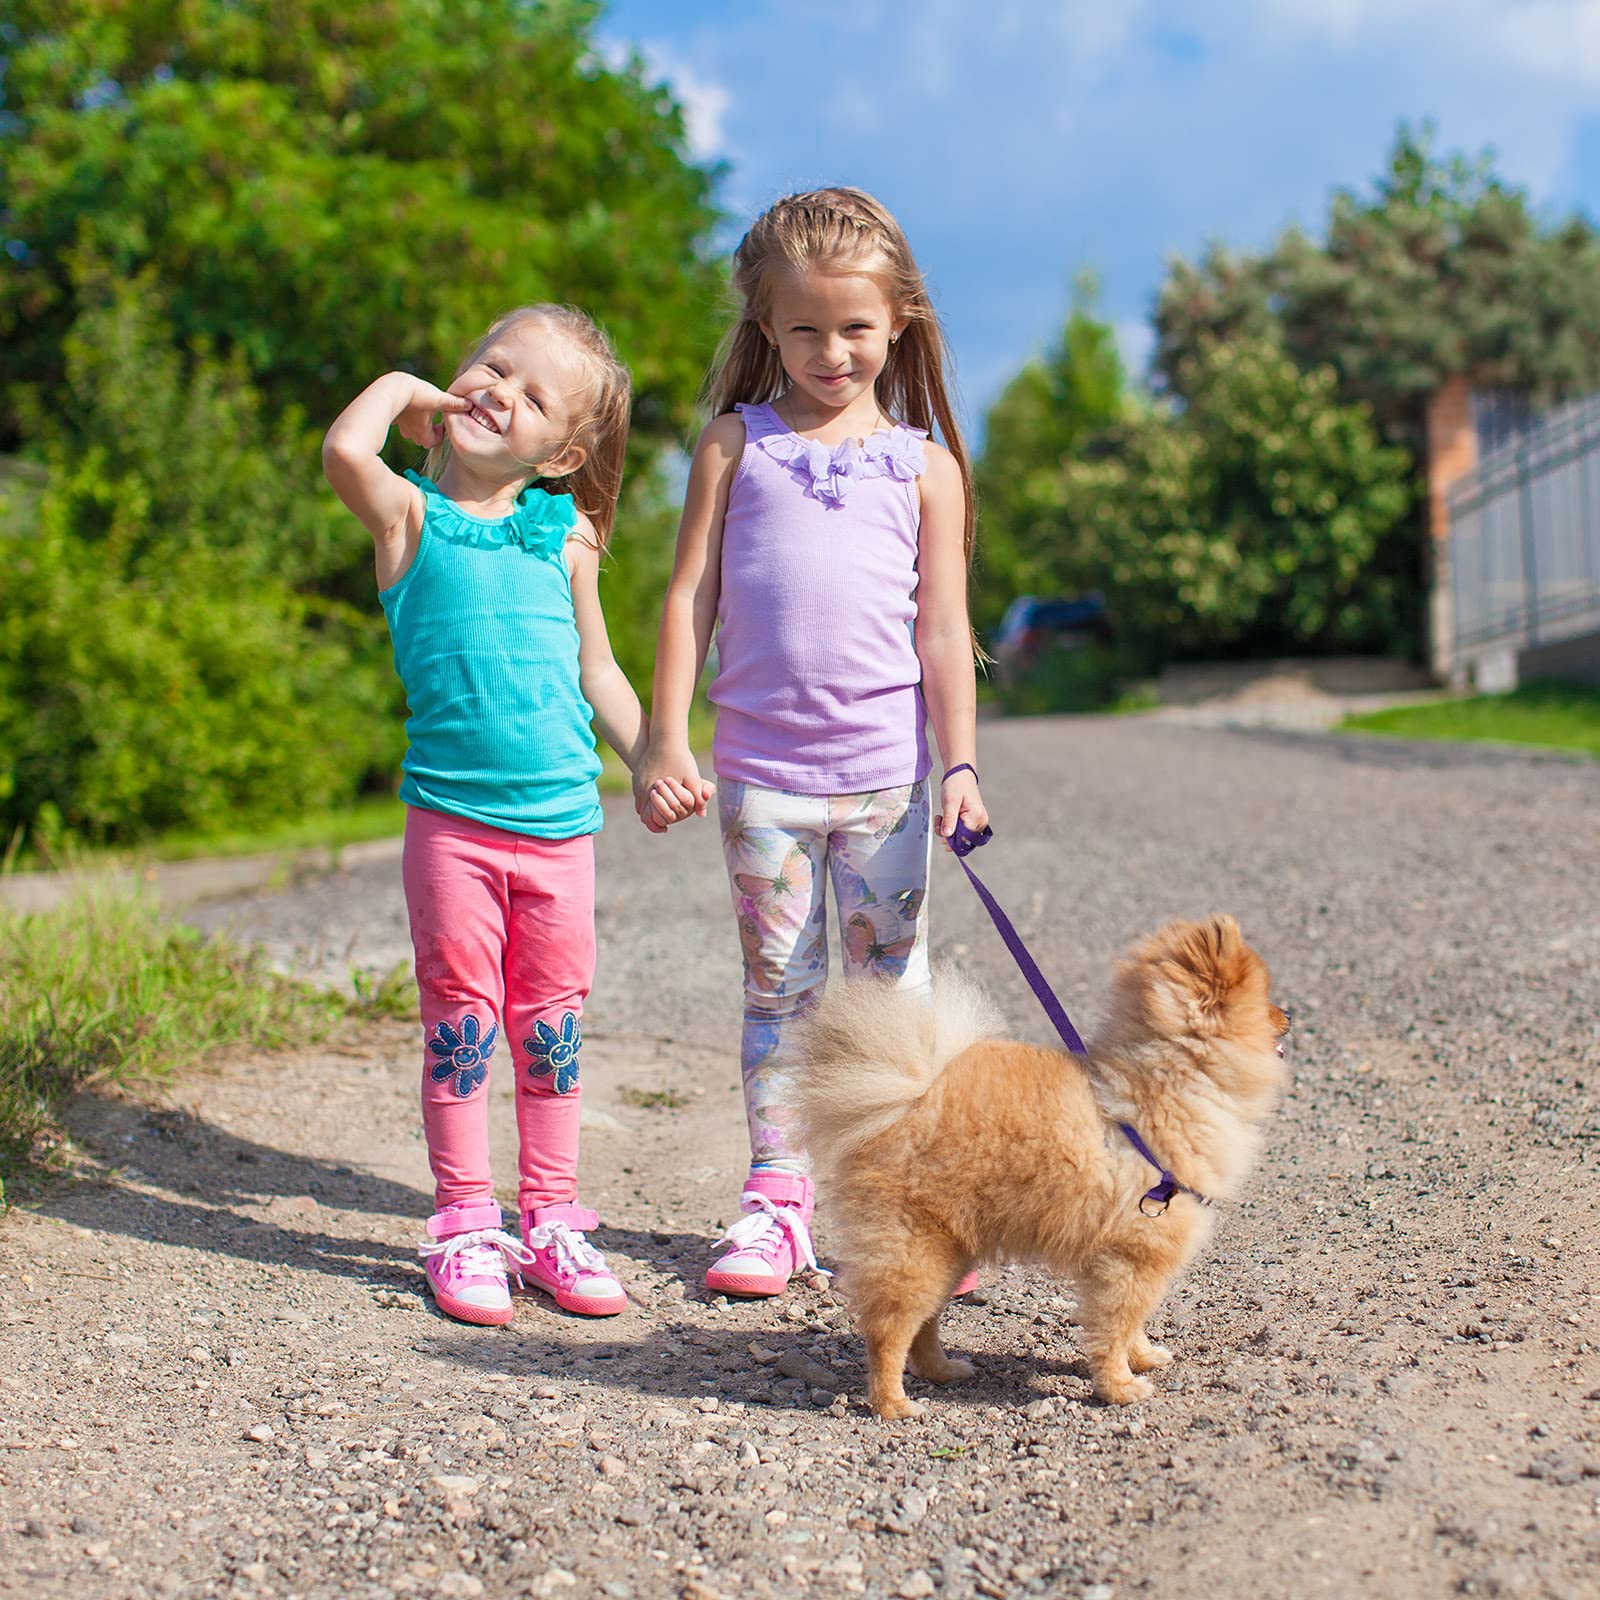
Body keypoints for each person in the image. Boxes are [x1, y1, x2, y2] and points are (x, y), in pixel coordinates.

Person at [636, 188, 989, 1299]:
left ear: (899, 324)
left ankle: (905, 1206)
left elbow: (942, 627)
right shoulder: (736, 447)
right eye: (802, 329)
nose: (830, 351)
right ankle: (777, 1202)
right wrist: (661, 737)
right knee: (779, 993)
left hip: (886, 784)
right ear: (763, 328)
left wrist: (961, 762)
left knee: (893, 999)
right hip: (763, 785)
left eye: (855, 328)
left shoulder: (924, 466)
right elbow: (688, 594)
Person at [323, 305, 686, 1326]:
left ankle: (553, 1218)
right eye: (490, 368)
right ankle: (466, 1221)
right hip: (454, 829)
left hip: (562, 829)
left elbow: (596, 668)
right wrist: (406, 390)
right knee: (463, 1026)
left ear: (563, 450)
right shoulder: (407, 517)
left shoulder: (561, 536)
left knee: (553, 1026)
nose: (498, 392)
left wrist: (652, 749)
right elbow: (344, 446)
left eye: (533, 396)